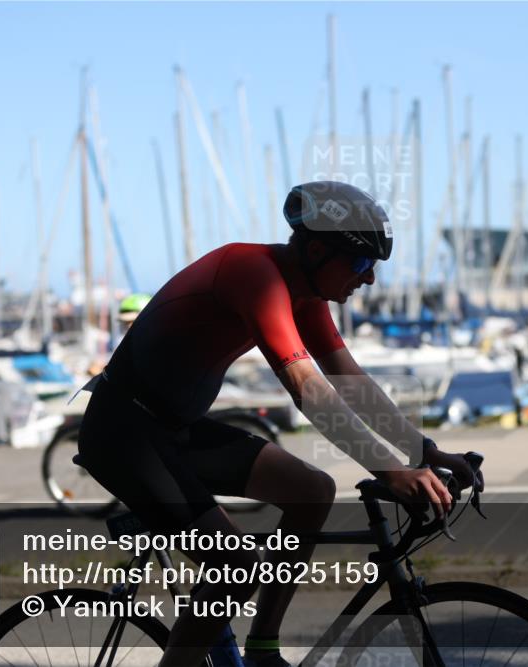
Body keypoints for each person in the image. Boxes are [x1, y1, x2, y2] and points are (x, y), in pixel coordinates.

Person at [77, 181, 482, 667]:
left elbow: (351, 382)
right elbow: (309, 388)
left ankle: (263, 650)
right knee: (234, 565)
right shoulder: (254, 275)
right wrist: (390, 472)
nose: (369, 278)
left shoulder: (304, 293)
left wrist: (424, 452)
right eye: (359, 263)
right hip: (122, 433)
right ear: (315, 250)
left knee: (311, 490)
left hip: (172, 430)